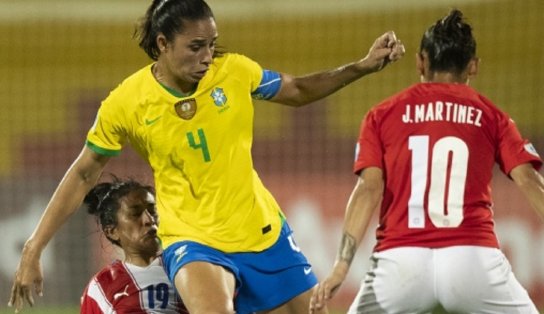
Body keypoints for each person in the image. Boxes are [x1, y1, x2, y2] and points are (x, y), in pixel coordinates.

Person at [8, 0, 404, 313]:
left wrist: (362, 67)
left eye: (211, 45)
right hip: (192, 240)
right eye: (196, 47)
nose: (207, 57)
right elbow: (82, 174)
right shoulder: (126, 103)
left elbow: (298, 90)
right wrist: (33, 248)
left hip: (261, 232)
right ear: (162, 44)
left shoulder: (234, 72)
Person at [309, 9, 544, 314]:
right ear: (473, 66)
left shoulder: (382, 114)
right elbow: (529, 179)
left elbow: (368, 190)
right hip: (472, 259)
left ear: (420, 60)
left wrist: (341, 267)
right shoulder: (493, 116)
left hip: (401, 264)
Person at [80, 178, 188, 313]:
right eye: (136, 214)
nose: (149, 220)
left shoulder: (185, 266)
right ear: (112, 231)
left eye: (152, 211)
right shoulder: (100, 287)